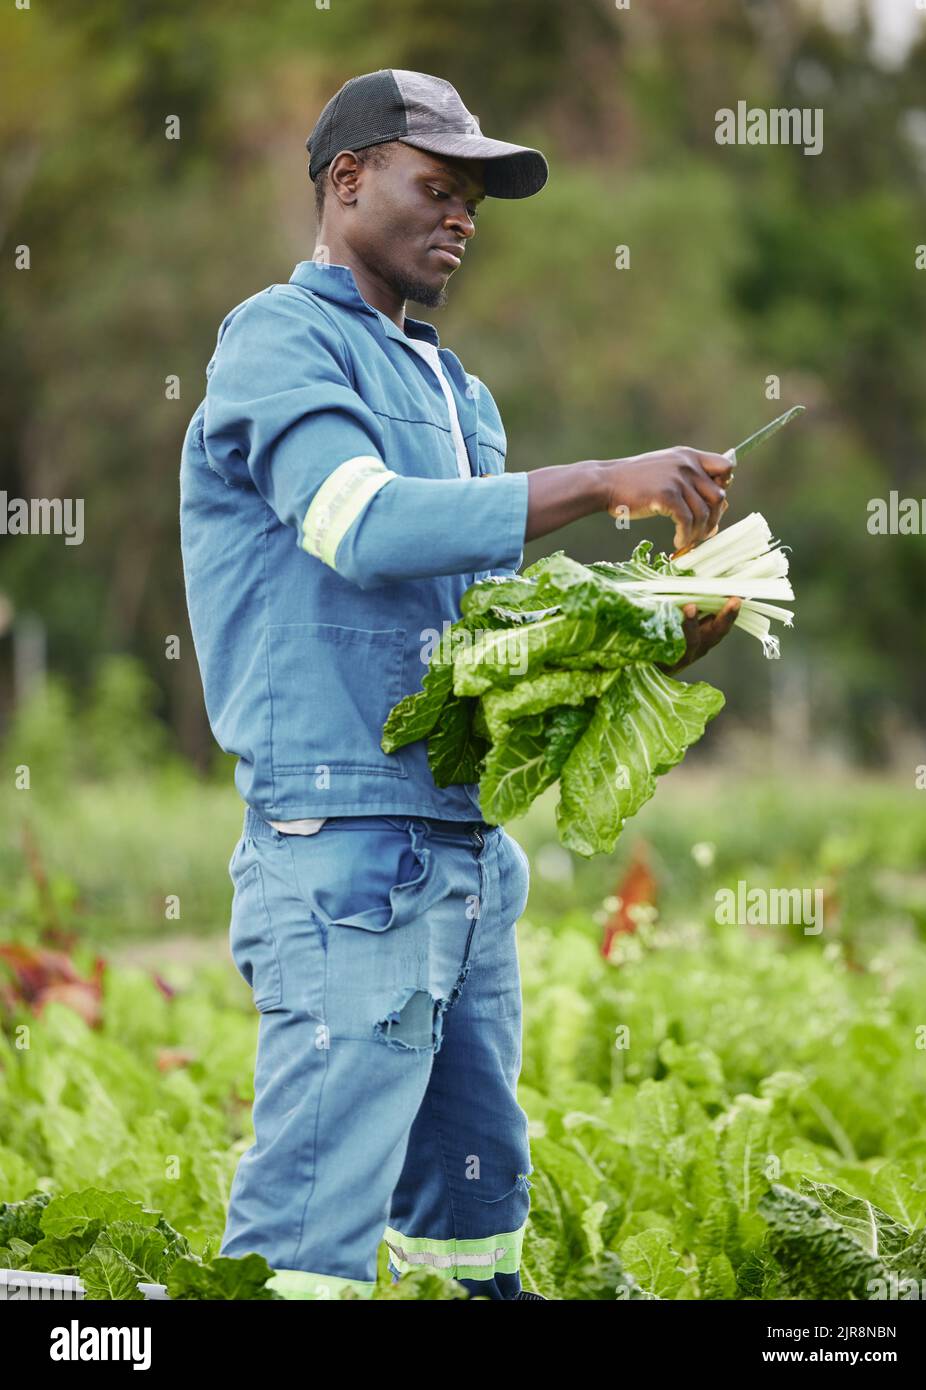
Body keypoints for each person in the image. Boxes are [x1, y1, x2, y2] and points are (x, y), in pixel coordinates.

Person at [178, 68, 739, 1302]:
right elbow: (361, 527)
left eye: (472, 200)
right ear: (345, 181)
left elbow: (478, 643)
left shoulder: (457, 389)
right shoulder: (278, 341)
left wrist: (649, 635)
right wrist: (599, 480)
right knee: (309, 1230)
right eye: (437, 187)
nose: (461, 219)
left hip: (461, 848)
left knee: (474, 1207)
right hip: (344, 848)